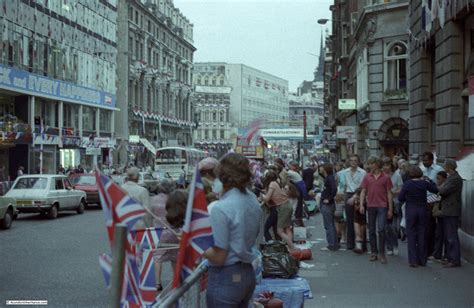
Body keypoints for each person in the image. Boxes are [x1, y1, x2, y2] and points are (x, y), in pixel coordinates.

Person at [203, 153, 263, 307]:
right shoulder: (252, 200)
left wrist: (195, 243)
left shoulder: (221, 208)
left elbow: (218, 256)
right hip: (247, 274)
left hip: (225, 277)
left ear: (222, 175)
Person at [398, 165, 438, 267]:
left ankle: (413, 260)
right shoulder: (424, 183)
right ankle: (422, 259)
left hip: (411, 210)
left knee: (411, 235)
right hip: (422, 210)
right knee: (422, 234)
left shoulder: (407, 184)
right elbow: (435, 190)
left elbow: (400, 198)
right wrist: (430, 181)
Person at [360, 157, 393, 264]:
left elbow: (389, 193)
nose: (370, 166)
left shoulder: (386, 177)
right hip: (371, 205)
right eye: (369, 164)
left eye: (372, 163)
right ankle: (374, 252)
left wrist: (390, 209)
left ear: (377, 164)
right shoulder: (367, 177)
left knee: (381, 229)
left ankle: (382, 253)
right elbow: (363, 191)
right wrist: (361, 204)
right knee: (372, 229)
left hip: (382, 206)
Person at [148, 179, 178, 291]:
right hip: (175, 232)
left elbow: (149, 216)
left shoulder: (153, 200)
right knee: (175, 257)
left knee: (157, 257)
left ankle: (157, 283)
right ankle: (176, 280)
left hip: (159, 232)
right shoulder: (174, 200)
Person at [439, 159, 463, 268]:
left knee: (451, 236)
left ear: (449, 167)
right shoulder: (451, 178)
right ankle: (449, 257)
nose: (443, 167)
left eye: (445, 166)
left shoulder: (455, 179)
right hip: (448, 209)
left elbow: (443, 191)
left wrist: (439, 188)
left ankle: (454, 259)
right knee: (448, 235)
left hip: (452, 210)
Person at [260, 171, 294, 248]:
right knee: (287, 229)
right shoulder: (276, 183)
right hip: (286, 205)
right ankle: (290, 247)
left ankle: (293, 248)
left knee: (279, 231)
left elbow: (267, 198)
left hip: (283, 207)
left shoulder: (272, 184)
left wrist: (262, 196)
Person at [421, 151, 444, 258]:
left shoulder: (438, 169)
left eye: (426, 160)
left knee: (432, 227)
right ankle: (426, 249)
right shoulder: (422, 169)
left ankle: (433, 251)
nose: (424, 162)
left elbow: (442, 186)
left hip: (434, 200)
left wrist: (430, 181)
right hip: (424, 200)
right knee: (426, 227)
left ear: (431, 160)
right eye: (423, 160)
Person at [343, 154, 366, 251]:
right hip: (348, 194)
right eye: (351, 160)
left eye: (355, 160)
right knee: (349, 220)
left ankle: (362, 244)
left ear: (358, 162)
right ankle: (350, 243)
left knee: (360, 220)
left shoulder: (363, 172)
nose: (353, 162)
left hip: (359, 195)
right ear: (349, 161)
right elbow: (343, 185)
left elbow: (362, 187)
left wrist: (355, 197)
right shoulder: (345, 172)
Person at [383, 157, 402, 256]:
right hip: (383, 202)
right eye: (384, 165)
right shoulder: (381, 176)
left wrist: (394, 192)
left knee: (394, 227)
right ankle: (389, 247)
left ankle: (395, 245)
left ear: (391, 165)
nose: (386, 167)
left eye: (387, 165)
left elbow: (400, 188)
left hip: (394, 202)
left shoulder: (397, 175)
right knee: (385, 227)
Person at [319, 163, 339, 251]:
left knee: (328, 224)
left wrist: (329, 199)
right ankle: (334, 243)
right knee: (330, 224)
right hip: (326, 202)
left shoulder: (329, 178)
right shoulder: (327, 178)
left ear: (325, 169)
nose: (320, 168)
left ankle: (331, 244)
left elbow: (334, 189)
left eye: (321, 167)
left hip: (327, 204)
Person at [431, 171, 448, 262]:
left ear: (444, 179)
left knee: (444, 234)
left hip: (444, 212)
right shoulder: (441, 187)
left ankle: (445, 255)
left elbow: (438, 197)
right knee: (439, 234)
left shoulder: (444, 188)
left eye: (439, 178)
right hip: (440, 213)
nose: (437, 180)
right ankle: (437, 254)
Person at [347, 188, 366, 254]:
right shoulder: (355, 200)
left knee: (361, 234)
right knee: (357, 233)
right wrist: (354, 198)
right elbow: (349, 202)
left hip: (363, 219)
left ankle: (361, 247)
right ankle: (358, 247)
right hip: (356, 218)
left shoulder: (364, 201)